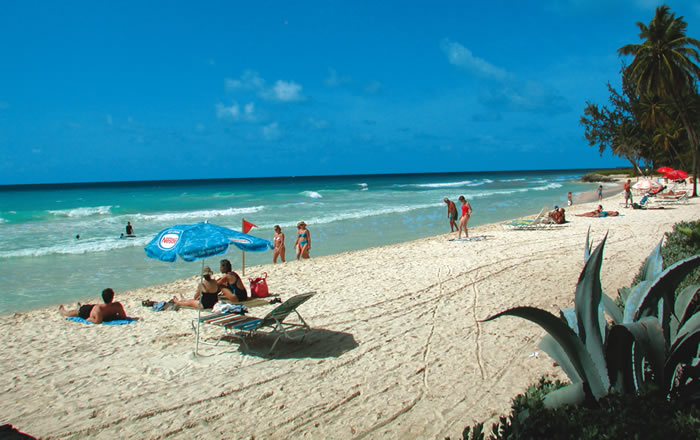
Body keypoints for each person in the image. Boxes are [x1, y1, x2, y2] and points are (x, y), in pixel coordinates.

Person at [59, 288, 133, 324]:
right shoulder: (117, 306)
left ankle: (79, 307)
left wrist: (91, 319)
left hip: (93, 309)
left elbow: (97, 321)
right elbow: (97, 321)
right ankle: (62, 311)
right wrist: (90, 318)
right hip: (86, 311)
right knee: (71, 313)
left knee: (78, 310)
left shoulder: (100, 308)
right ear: (112, 297)